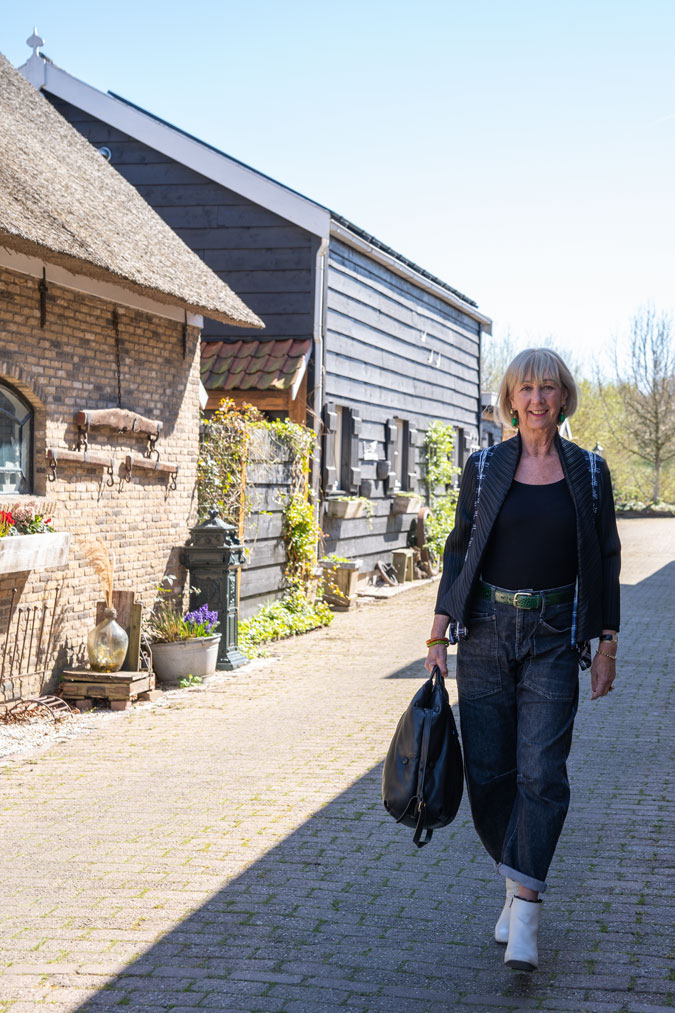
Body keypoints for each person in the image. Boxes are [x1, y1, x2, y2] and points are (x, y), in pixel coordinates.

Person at [425, 348, 621, 972]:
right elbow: (459, 550)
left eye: (548, 388)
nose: (537, 399)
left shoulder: (590, 471)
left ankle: (527, 912)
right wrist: (437, 637)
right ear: (510, 399)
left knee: (543, 773)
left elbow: (608, 558)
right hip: (485, 632)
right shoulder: (483, 468)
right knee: (488, 775)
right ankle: (515, 883)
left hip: (555, 635)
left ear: (564, 397)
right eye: (526, 389)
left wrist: (607, 643)